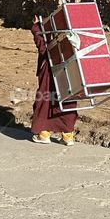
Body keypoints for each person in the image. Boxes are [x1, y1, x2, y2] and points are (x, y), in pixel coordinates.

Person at [30, 14, 77, 145]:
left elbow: (42, 47)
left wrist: (35, 28)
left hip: (50, 70)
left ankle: (44, 133)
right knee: (67, 99)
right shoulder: (66, 29)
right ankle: (68, 135)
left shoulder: (46, 31)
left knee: (46, 99)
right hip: (68, 69)